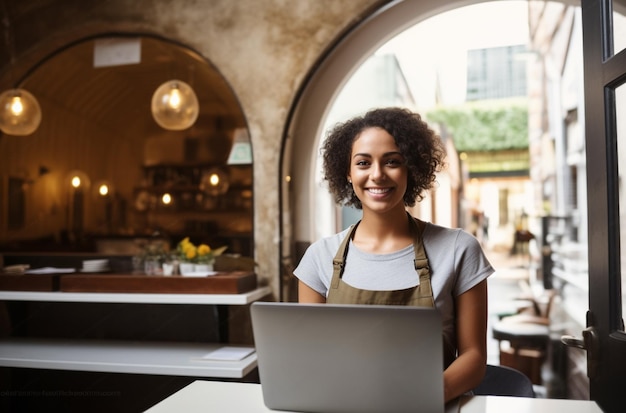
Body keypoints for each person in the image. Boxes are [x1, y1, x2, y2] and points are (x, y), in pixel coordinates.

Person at [294, 107, 494, 403]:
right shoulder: (318, 258)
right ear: (348, 173)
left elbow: (474, 357)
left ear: (410, 169)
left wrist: (424, 396)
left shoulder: (458, 249)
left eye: (392, 162)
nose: (377, 174)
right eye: (363, 163)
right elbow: (313, 357)